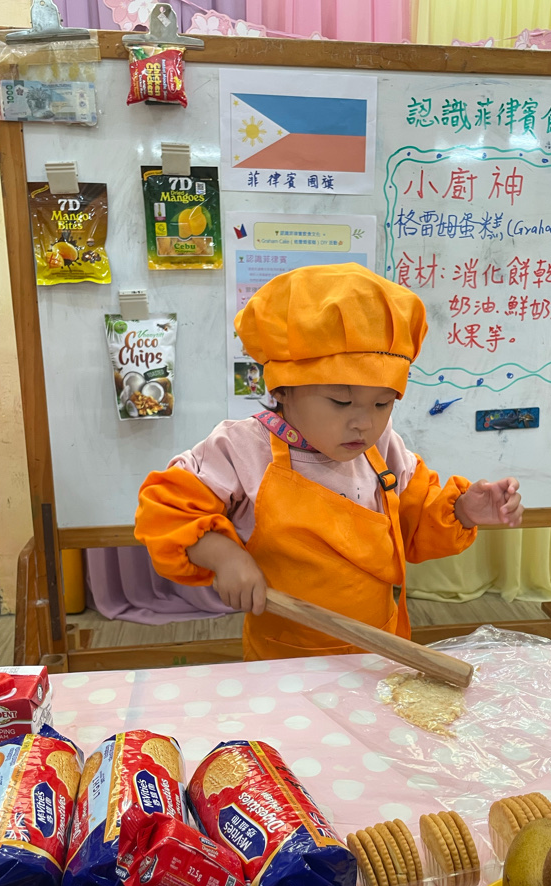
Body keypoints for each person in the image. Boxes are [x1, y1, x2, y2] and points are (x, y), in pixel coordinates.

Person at [135, 263, 523, 660]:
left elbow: (415, 521)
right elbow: (168, 513)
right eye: (341, 401)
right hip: (285, 660)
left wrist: (464, 510)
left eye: (382, 403)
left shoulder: (383, 449)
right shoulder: (242, 449)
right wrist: (224, 555)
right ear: (282, 389)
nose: (364, 423)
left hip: (379, 649)